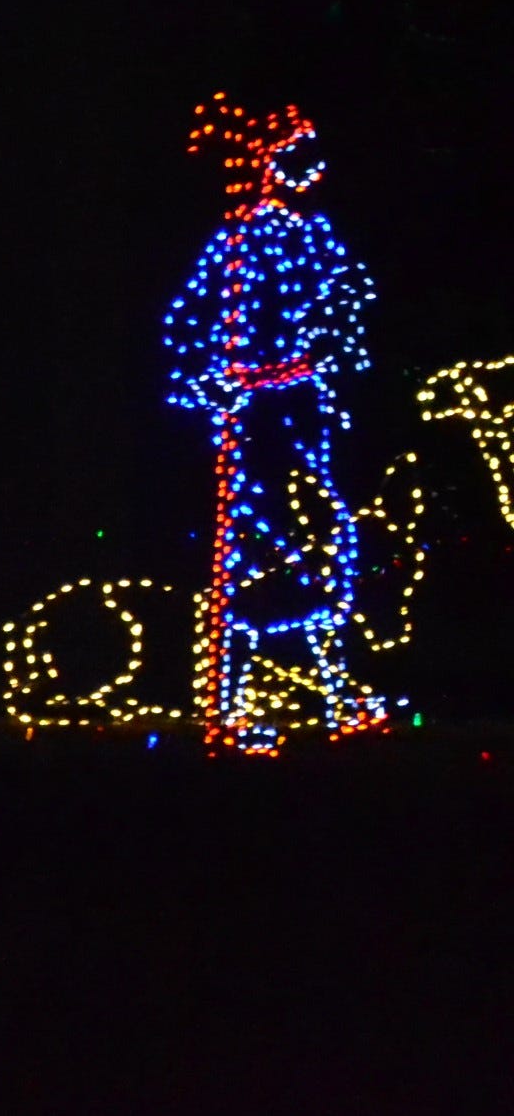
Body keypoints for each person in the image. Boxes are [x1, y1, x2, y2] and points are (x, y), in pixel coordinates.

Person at [165, 97, 387, 752]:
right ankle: (231, 705)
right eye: (293, 155)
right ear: (265, 163)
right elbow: (185, 326)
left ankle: (334, 690)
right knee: (250, 561)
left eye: (310, 156)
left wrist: (314, 367)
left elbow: (350, 329)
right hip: (249, 431)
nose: (308, 169)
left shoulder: (320, 240)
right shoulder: (233, 244)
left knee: (327, 548)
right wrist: (210, 386)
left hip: (302, 418)